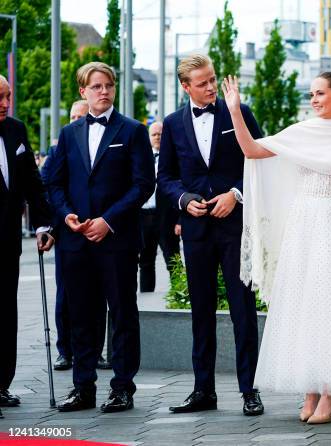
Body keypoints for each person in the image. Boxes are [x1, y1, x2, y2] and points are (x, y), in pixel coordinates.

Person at [221, 72, 331, 424]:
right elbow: (251, 150)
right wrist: (235, 110)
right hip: (303, 226)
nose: (313, 99)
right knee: (305, 304)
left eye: (320, 93)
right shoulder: (300, 132)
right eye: (311, 94)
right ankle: (311, 388)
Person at [157, 54, 264, 416]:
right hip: (196, 229)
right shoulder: (172, 124)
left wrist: (235, 195)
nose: (211, 86)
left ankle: (250, 390)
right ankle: (203, 391)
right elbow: (166, 178)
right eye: (202, 82)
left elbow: (260, 160)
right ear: (185, 86)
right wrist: (184, 199)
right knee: (200, 311)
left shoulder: (240, 112)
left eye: (213, 79)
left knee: (242, 310)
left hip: (235, 228)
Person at [47, 62, 155, 413]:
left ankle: (122, 387)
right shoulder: (69, 133)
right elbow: (54, 182)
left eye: (108, 85)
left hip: (117, 239)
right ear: (83, 92)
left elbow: (143, 184)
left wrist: (108, 220)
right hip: (76, 241)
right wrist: (65, 216)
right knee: (81, 315)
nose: (104, 91)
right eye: (96, 87)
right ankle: (83, 388)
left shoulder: (133, 131)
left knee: (123, 314)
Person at [0, 75, 54, 419]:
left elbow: (32, 182)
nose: (5, 103)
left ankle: (1, 382)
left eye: (7, 96)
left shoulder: (16, 129)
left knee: (6, 312)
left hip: (6, 239)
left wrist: (43, 223)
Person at [42, 100, 110, 372]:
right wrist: (51, 225)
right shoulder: (60, 147)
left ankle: (96, 351)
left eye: (79, 116)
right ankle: (65, 350)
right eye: (72, 116)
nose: (75, 121)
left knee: (100, 297)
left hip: (99, 229)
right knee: (66, 295)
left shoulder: (102, 143)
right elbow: (48, 185)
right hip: (67, 231)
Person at [138, 121, 181, 292]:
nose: (157, 137)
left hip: (167, 217)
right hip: (143, 217)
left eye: (160, 134)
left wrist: (180, 220)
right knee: (145, 261)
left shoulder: (175, 158)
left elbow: (181, 188)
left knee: (173, 259)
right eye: (154, 134)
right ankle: (146, 297)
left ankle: (180, 296)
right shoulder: (141, 158)